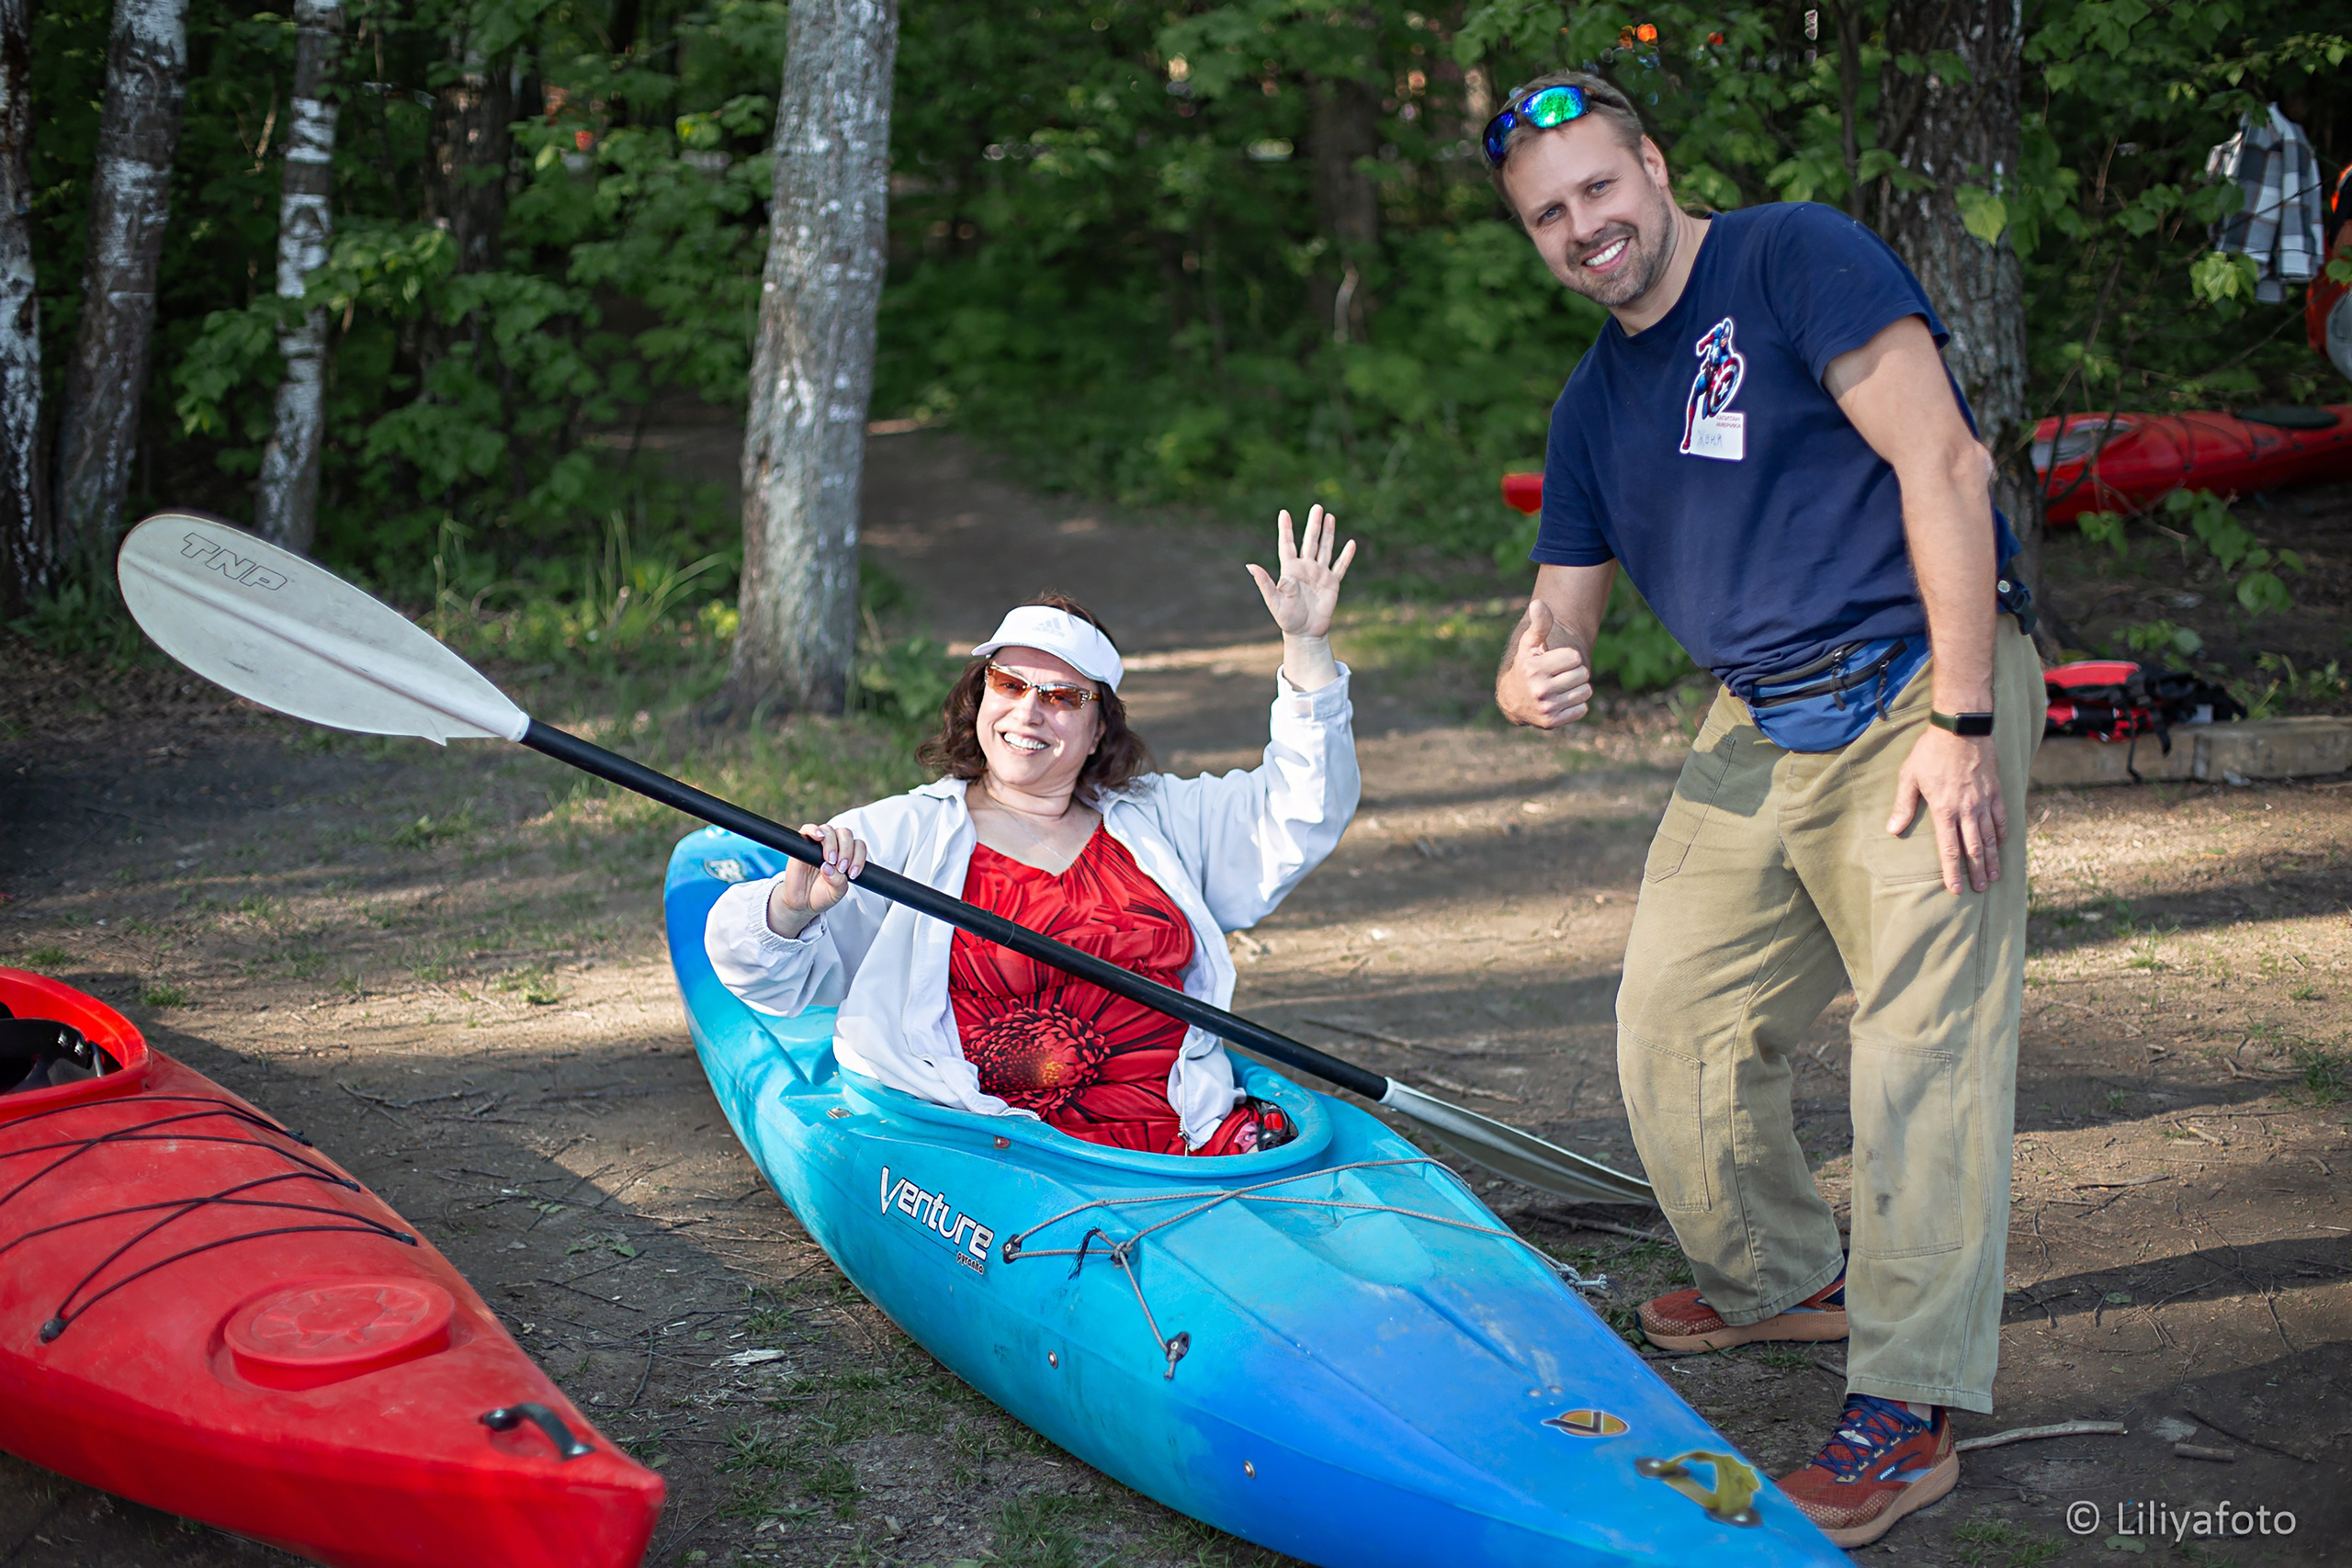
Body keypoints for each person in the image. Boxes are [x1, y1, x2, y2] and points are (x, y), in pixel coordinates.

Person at [1482, 73, 2041, 1548]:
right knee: (1674, 1015)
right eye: (1548, 214)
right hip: (1760, 713)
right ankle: (1786, 1276)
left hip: (1920, 676)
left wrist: (1964, 723)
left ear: (1655, 169)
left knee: (1922, 1051)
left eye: (1599, 188)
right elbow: (1556, 617)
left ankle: (1909, 1404)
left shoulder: (1793, 255)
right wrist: (1531, 674)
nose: (1583, 227)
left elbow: (1944, 462)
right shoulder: (1594, 403)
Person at [706, 509, 1359, 1156]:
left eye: (1062, 696)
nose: (1028, 711)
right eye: (1009, 683)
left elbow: (1302, 809)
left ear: (1099, 728)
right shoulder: (898, 834)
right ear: (980, 697)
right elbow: (763, 979)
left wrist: (1307, 645)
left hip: (1182, 1142)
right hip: (989, 1154)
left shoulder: (1158, 819)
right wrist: (790, 908)